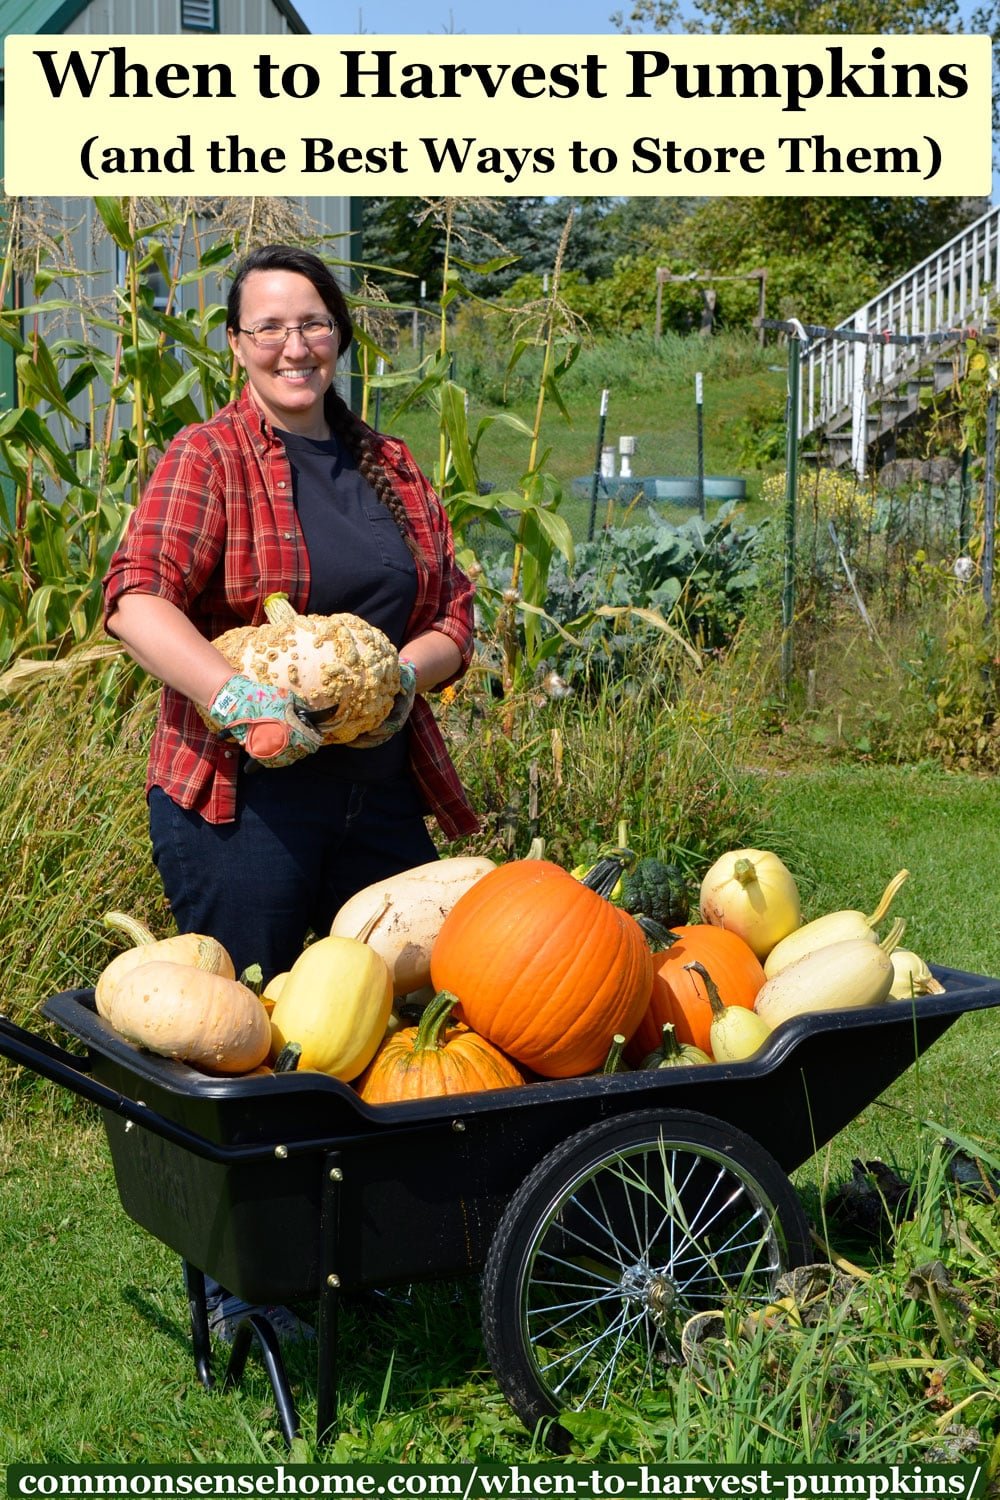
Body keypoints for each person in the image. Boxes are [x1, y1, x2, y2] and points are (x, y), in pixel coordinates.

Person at [103, 242, 479, 1341]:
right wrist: (237, 704)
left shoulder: (392, 467)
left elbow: (452, 615)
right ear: (236, 346)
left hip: (378, 794)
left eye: (310, 323)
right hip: (240, 801)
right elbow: (136, 600)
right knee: (245, 1040)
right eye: (266, 326)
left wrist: (395, 680)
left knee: (373, 1023)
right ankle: (239, 1286)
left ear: (339, 335)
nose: (291, 345)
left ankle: (356, 1255)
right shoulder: (208, 457)